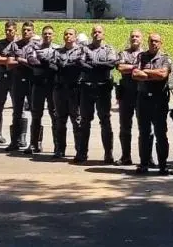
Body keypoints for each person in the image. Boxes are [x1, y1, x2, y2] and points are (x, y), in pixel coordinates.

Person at [133, 33, 173, 176]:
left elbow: (163, 75)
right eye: (151, 41)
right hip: (143, 99)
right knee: (144, 133)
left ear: (161, 43)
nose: (153, 43)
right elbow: (135, 74)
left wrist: (145, 72)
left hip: (159, 100)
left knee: (160, 133)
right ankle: (144, 164)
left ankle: (163, 165)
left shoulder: (165, 58)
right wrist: (153, 74)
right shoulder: (141, 56)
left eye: (156, 41)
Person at [79, 25, 119, 164]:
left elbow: (111, 64)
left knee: (105, 121)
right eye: (94, 32)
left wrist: (93, 64)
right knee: (84, 121)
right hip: (87, 87)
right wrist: (100, 65)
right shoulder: (85, 48)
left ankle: (108, 154)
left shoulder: (109, 49)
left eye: (99, 32)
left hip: (103, 88)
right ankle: (82, 153)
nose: (96, 34)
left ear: (103, 34)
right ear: (91, 34)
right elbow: (81, 63)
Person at [49, 28, 83, 160]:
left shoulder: (81, 51)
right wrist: (68, 66)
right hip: (60, 89)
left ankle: (79, 150)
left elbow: (80, 66)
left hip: (75, 89)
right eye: (66, 34)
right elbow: (52, 66)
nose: (68, 36)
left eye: (70, 34)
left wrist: (64, 66)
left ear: (75, 37)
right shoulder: (57, 52)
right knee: (60, 120)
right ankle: (59, 149)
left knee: (77, 120)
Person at [21, 26, 56, 156]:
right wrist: (47, 64)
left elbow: (58, 64)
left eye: (50, 34)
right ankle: (34, 143)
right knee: (36, 115)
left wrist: (48, 64)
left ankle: (57, 146)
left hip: (52, 85)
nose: (47, 36)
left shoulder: (57, 48)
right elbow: (32, 61)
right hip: (38, 84)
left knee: (55, 115)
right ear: (42, 35)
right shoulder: (35, 47)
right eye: (45, 33)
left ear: (54, 35)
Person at [2, 22, 35, 150]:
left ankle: (34, 142)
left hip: (32, 81)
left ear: (33, 31)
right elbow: (9, 64)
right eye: (24, 30)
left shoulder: (37, 45)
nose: (26, 32)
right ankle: (15, 141)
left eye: (28, 30)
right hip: (17, 80)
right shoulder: (15, 45)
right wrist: (26, 61)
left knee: (35, 113)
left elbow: (36, 64)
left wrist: (20, 60)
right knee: (17, 111)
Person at [115, 29, 144, 165]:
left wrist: (130, 68)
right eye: (132, 36)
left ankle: (146, 157)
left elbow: (148, 69)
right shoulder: (123, 53)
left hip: (142, 93)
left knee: (144, 127)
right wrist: (136, 67)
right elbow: (120, 67)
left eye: (137, 36)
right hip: (126, 93)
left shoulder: (146, 55)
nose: (134, 38)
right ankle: (125, 156)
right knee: (125, 127)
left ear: (141, 39)